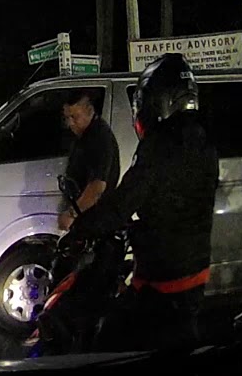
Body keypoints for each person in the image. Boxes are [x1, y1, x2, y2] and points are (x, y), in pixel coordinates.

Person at [64, 53, 218, 351]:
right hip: (194, 270)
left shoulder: (161, 145)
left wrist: (80, 230)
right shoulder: (202, 139)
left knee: (108, 340)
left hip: (163, 278)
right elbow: (174, 200)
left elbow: (123, 201)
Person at [57, 90, 120, 231]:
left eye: (75, 117)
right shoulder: (84, 136)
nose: (70, 123)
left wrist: (72, 214)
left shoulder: (99, 138)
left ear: (89, 110)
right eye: (67, 117)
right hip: (87, 218)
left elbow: (97, 187)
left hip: (95, 220)